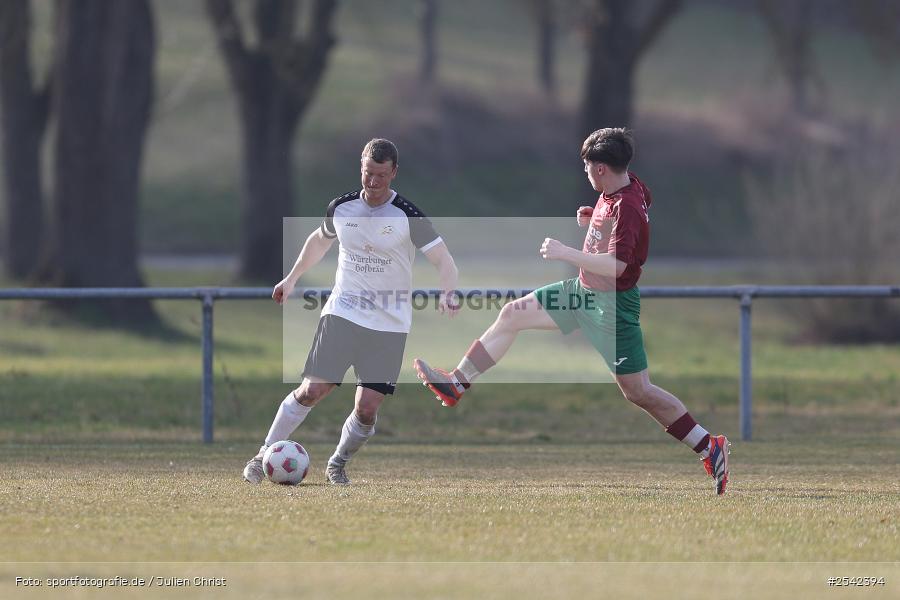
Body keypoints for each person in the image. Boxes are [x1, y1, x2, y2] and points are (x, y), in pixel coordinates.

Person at [413, 128, 731, 495]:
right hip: (580, 293)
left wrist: (567, 253)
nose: (585, 172)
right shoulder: (626, 188)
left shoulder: (626, 206)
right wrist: (594, 217)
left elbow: (618, 266)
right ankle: (457, 383)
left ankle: (710, 446)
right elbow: (631, 212)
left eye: (587, 166)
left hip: (611, 308)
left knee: (638, 391)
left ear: (600, 169)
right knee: (513, 314)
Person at [243, 138, 459, 485]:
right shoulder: (341, 208)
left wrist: (448, 292)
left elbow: (444, 260)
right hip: (343, 312)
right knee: (312, 390)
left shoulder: (408, 215)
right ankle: (262, 455)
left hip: (389, 323)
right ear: (361, 166)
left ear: (394, 173)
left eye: (381, 176)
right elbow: (319, 240)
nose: (373, 183)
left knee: (367, 408)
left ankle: (338, 462)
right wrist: (292, 277)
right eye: (368, 173)